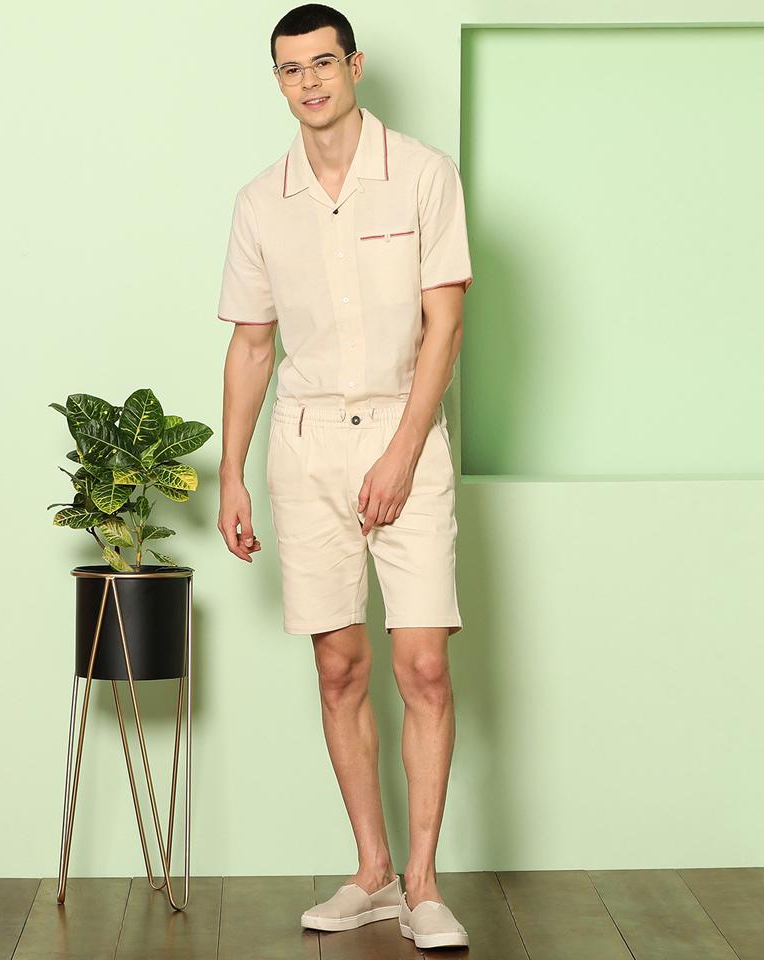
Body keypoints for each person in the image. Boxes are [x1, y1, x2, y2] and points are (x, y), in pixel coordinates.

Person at [215, 3, 473, 951]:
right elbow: (252, 345)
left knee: (424, 664)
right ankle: (372, 872)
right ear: (278, 82)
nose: (309, 82)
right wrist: (231, 475)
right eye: (291, 69)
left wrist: (402, 450)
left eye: (323, 63)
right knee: (338, 666)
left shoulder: (423, 175)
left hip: (407, 429)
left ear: (355, 67)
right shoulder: (261, 201)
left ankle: (423, 886)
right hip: (305, 440)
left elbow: (445, 323)